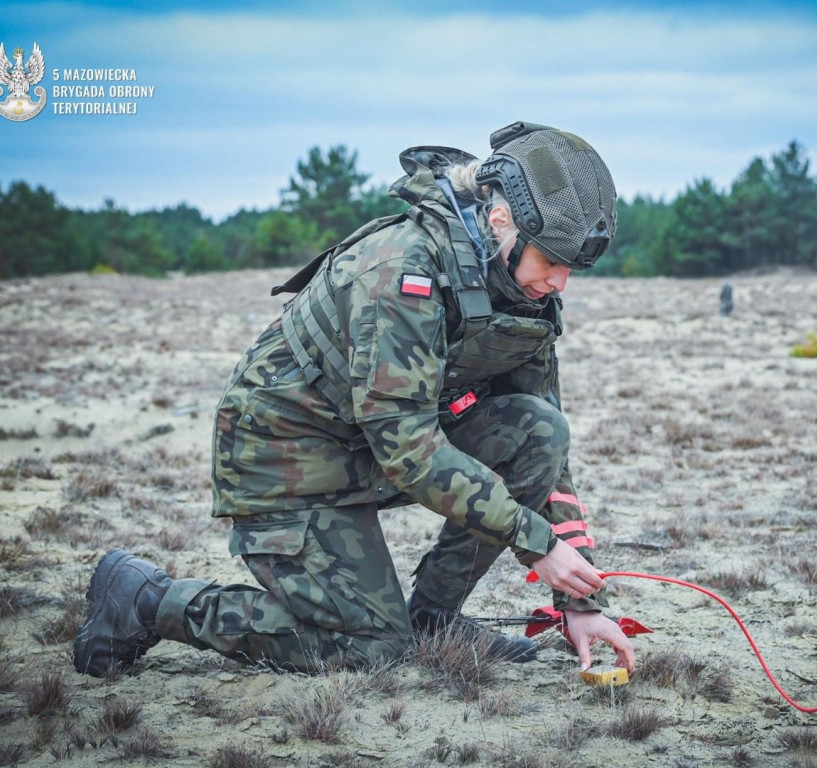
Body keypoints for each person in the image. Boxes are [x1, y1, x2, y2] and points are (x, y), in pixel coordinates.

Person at [73, 120, 636, 677]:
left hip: (369, 449)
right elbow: (411, 452)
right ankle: (149, 601)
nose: (560, 282)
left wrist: (579, 604)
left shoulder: (519, 290)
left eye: (571, 269)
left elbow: (547, 450)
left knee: (538, 430)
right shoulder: (402, 271)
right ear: (500, 222)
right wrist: (535, 543)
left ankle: (435, 619)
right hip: (284, 455)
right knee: (371, 648)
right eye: (552, 261)